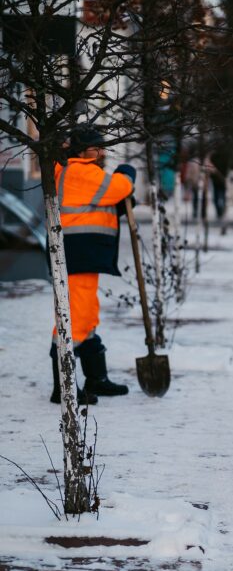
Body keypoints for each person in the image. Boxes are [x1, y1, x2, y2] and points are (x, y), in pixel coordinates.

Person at [50, 126, 136, 404]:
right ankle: (63, 388)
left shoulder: (69, 171)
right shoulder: (80, 171)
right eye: (95, 149)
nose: (100, 154)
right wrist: (127, 171)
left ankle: (96, 379)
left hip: (79, 253)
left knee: (85, 315)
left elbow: (98, 204)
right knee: (74, 318)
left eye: (102, 149)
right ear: (80, 152)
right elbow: (119, 187)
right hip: (79, 253)